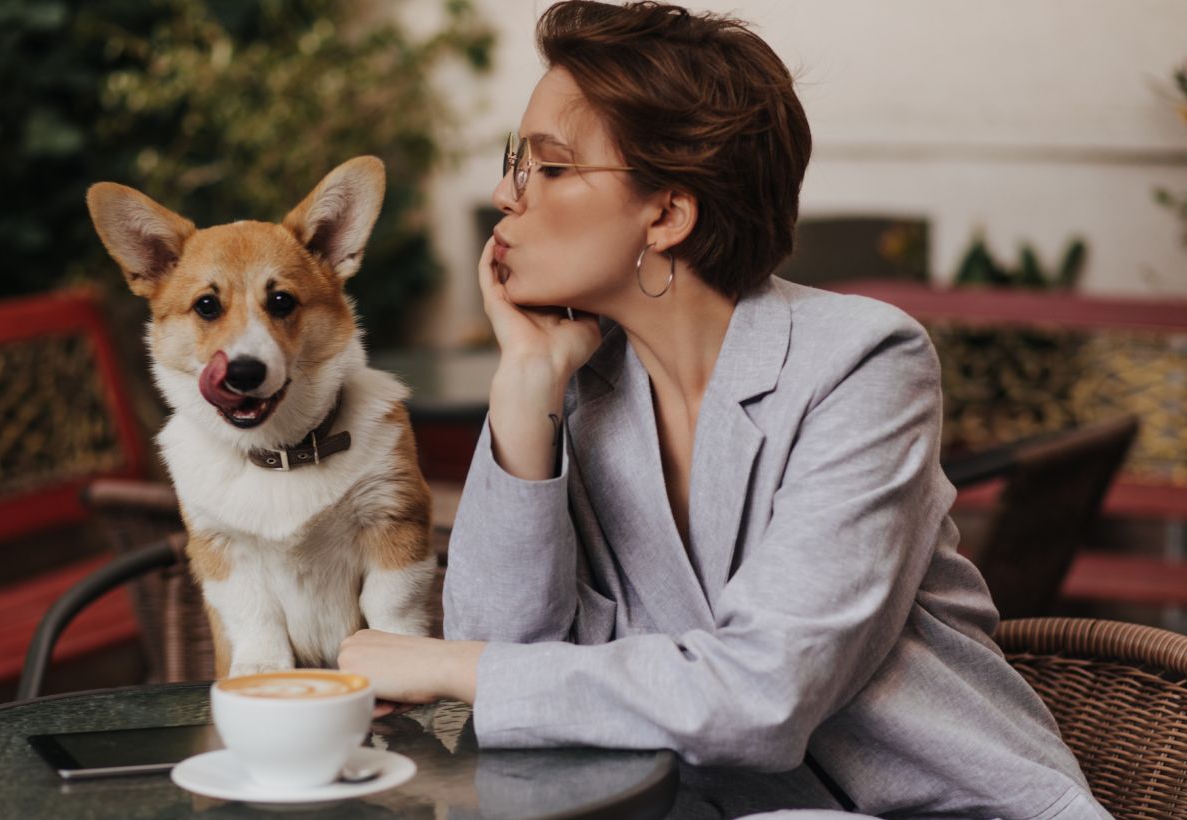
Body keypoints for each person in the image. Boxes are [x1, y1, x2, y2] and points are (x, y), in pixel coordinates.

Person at [338, 2, 1111, 817]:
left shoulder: (861, 363)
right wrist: (525, 389)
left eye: (550, 168)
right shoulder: (577, 386)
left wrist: (449, 670)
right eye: (513, 163)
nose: (504, 193)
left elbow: (762, 696)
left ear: (668, 213)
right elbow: (510, 675)